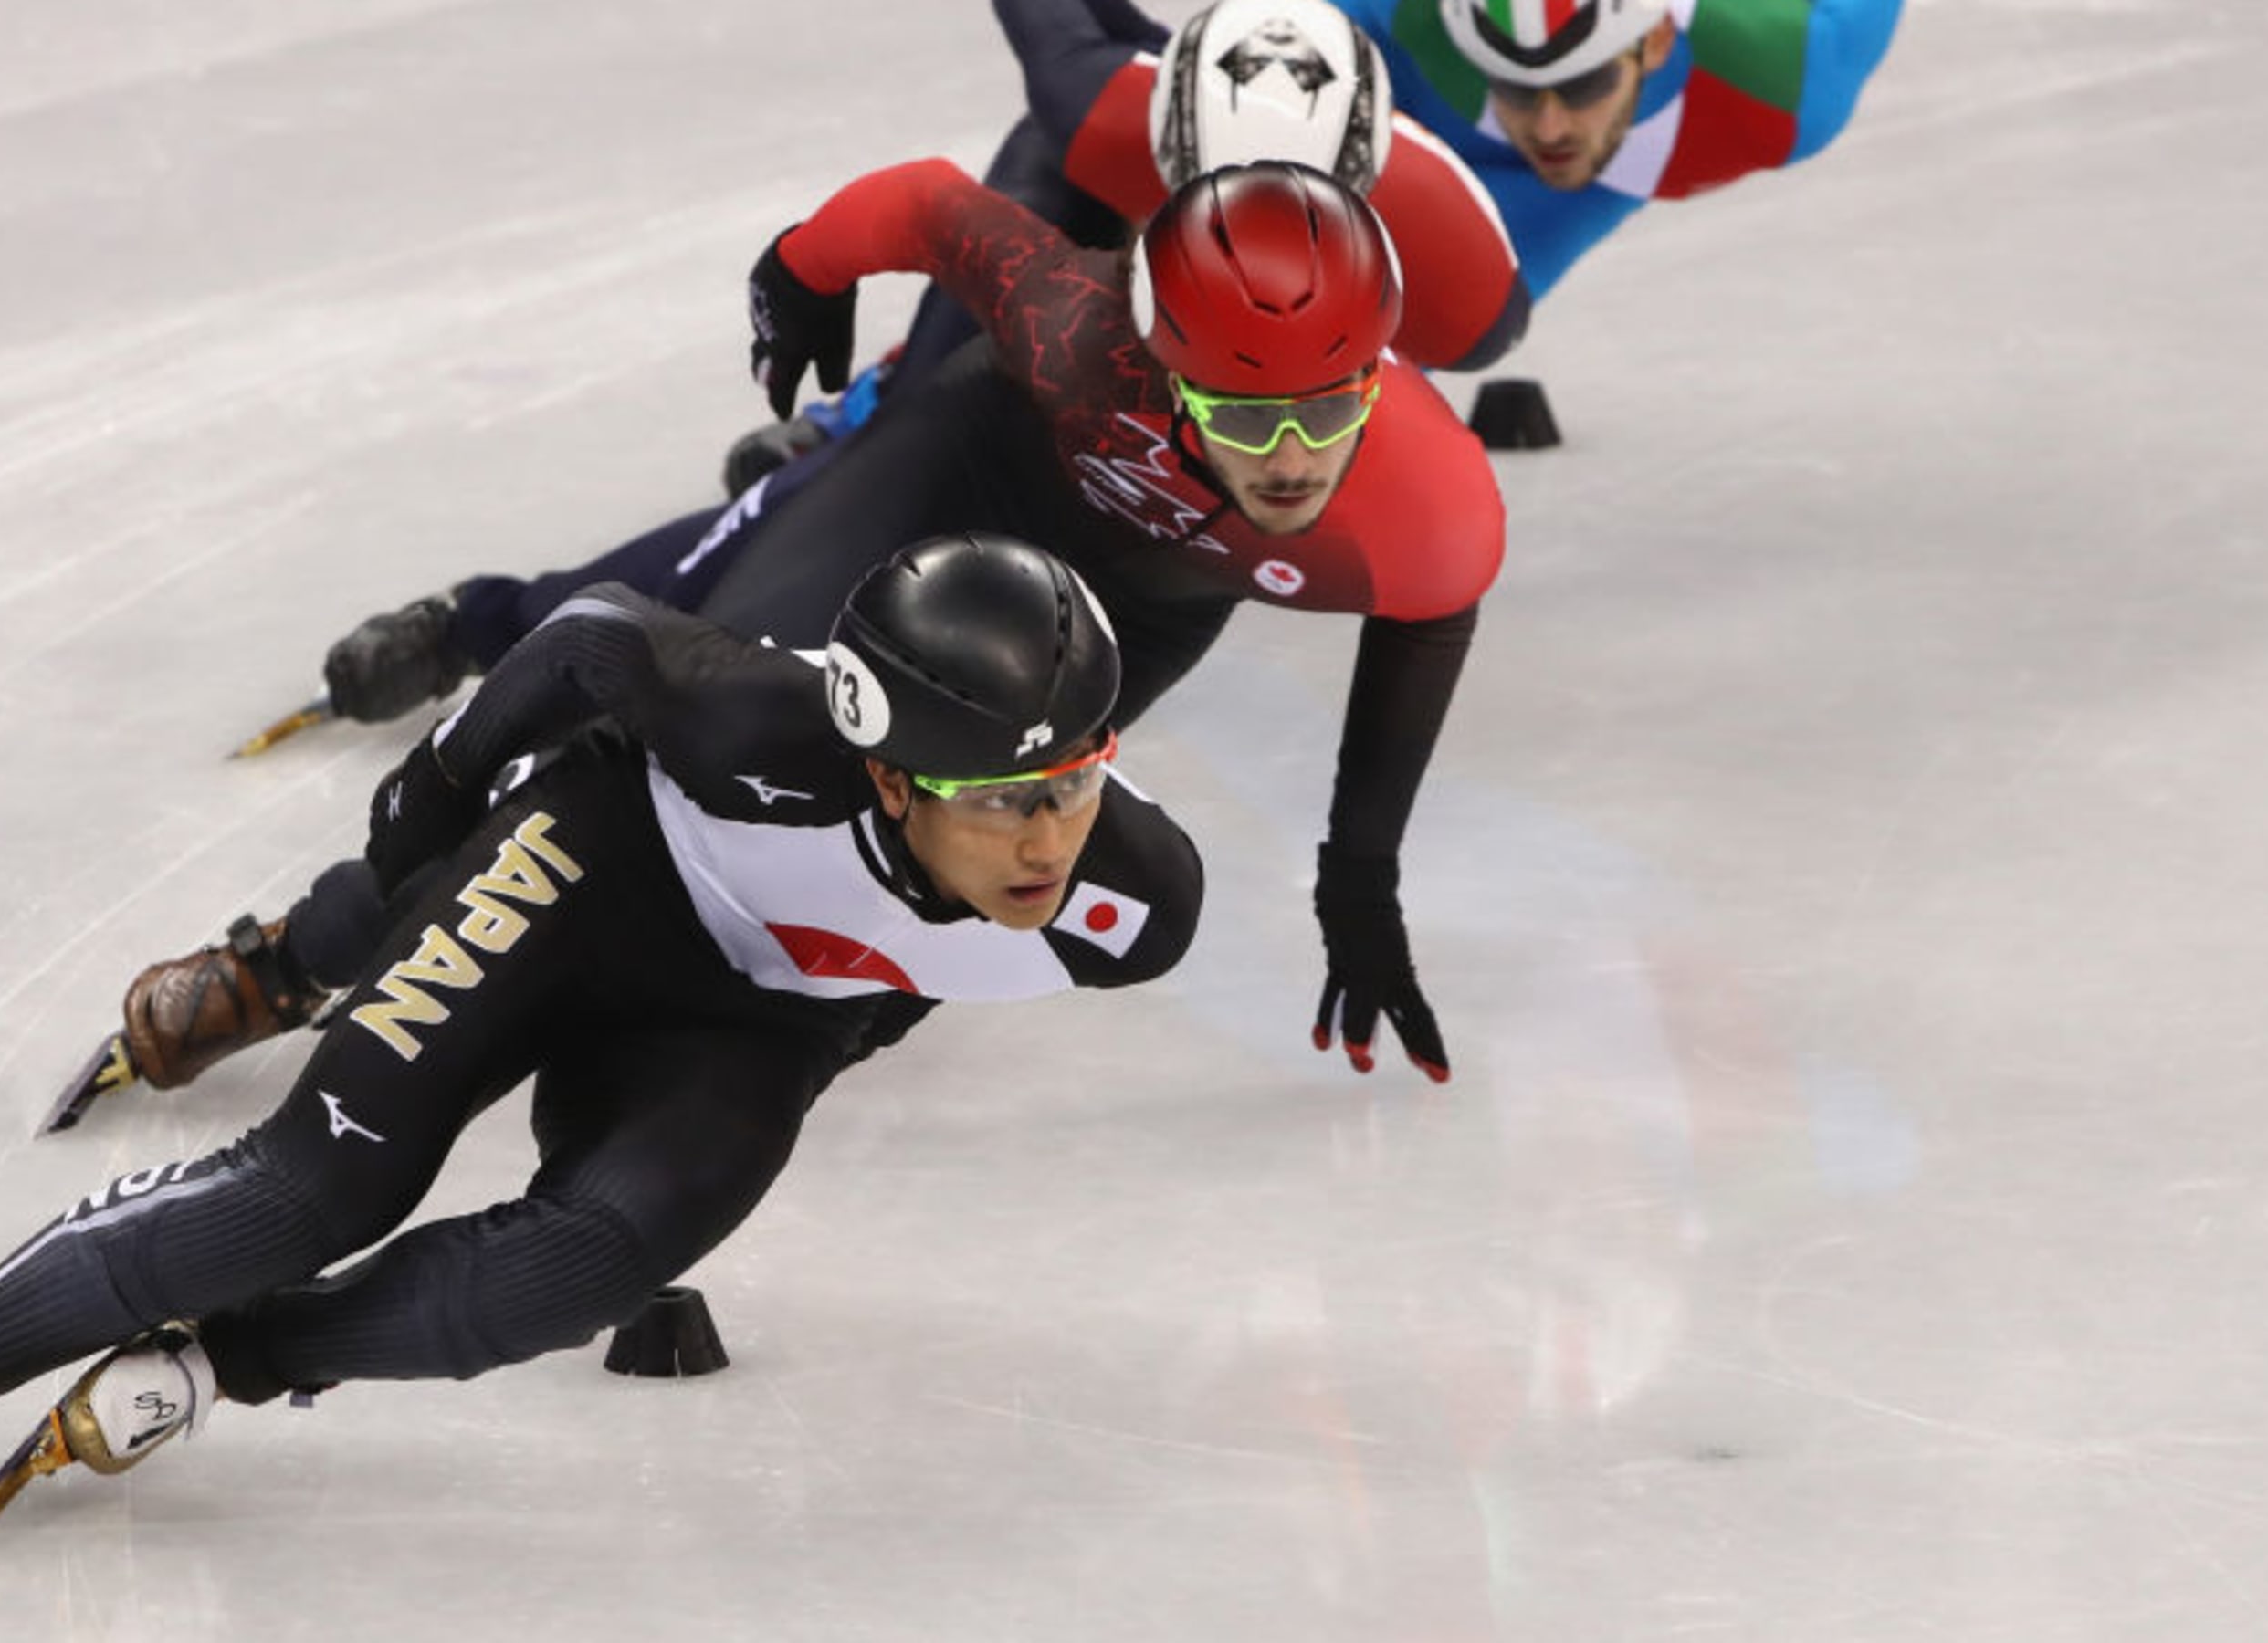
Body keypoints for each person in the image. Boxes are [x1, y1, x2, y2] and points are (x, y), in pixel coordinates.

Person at [0, 536, 1203, 1565]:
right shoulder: (755, 724)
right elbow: (594, 636)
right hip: (589, 872)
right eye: (998, 798)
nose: (1045, 839)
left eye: (1072, 784)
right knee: (311, 1194)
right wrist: (433, 798)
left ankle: (238, 1358)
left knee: (586, 1264)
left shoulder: (1136, 909)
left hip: (747, 1024)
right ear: (883, 767)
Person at [325, 161, 1501, 1086]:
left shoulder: (1428, 511)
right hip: (968, 472)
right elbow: (930, 204)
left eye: (1325, 409)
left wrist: (1358, 883)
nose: (1291, 461)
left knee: (962, 844)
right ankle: (329, 935)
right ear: (1165, 370)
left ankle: (696, 1054)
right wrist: (799, 269)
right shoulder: (1077, 326)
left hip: (1136, 605)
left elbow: (1422, 631)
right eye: (1242, 421)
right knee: (700, 706)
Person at [725, 0, 1530, 489]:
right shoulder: (1101, 113)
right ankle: (891, 398)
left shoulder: (1467, 301)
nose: (1246, 251)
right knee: (944, 400)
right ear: (1170, 156)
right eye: (1215, 204)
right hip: (1108, 153)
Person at [1336, 0, 1906, 298]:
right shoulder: (1406, 16)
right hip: (1399, 93)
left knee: (1434, 318)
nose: (1551, 127)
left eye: (1585, 84)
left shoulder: (1791, 81)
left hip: (1586, 179)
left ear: (1655, 42)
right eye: (1514, 86)